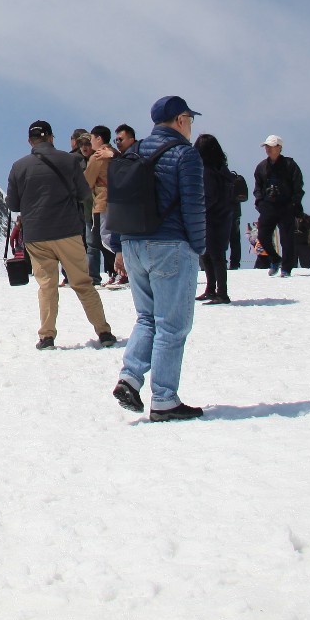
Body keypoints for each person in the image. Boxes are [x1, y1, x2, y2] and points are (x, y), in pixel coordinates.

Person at [111, 97, 208, 421]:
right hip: (170, 245)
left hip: (133, 244)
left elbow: (117, 200)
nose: (191, 125)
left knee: (147, 318)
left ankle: (129, 377)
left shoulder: (133, 152)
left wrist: (118, 246)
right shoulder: (185, 154)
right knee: (172, 324)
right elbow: (193, 205)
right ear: (180, 119)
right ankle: (165, 399)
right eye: (189, 119)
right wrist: (199, 246)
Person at [6, 119, 114, 349]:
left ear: (29, 141)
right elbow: (84, 193)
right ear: (52, 137)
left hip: (36, 235)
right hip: (67, 230)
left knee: (47, 285)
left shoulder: (18, 166)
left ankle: (47, 336)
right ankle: (103, 331)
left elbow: (13, 203)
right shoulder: (68, 160)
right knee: (83, 283)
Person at [251, 136, 303, 278]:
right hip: (268, 206)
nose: (268, 149)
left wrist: (294, 202)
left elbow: (298, 185)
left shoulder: (290, 165)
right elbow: (257, 187)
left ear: (279, 147)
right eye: (266, 146)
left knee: (287, 238)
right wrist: (260, 202)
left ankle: (286, 268)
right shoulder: (261, 167)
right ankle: (275, 259)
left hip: (286, 206)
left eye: (271, 146)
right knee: (262, 235)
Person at [196, 134, 235, 303]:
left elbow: (208, 197)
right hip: (224, 215)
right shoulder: (222, 168)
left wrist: (197, 211)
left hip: (211, 217)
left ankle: (220, 292)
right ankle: (213, 289)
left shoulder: (206, 170)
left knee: (213, 255)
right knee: (214, 254)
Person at [84, 127, 115, 285]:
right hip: (118, 201)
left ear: (99, 139)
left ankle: (118, 270)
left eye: (92, 138)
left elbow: (87, 181)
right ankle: (116, 272)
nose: (90, 142)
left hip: (102, 201)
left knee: (104, 239)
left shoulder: (97, 157)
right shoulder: (114, 153)